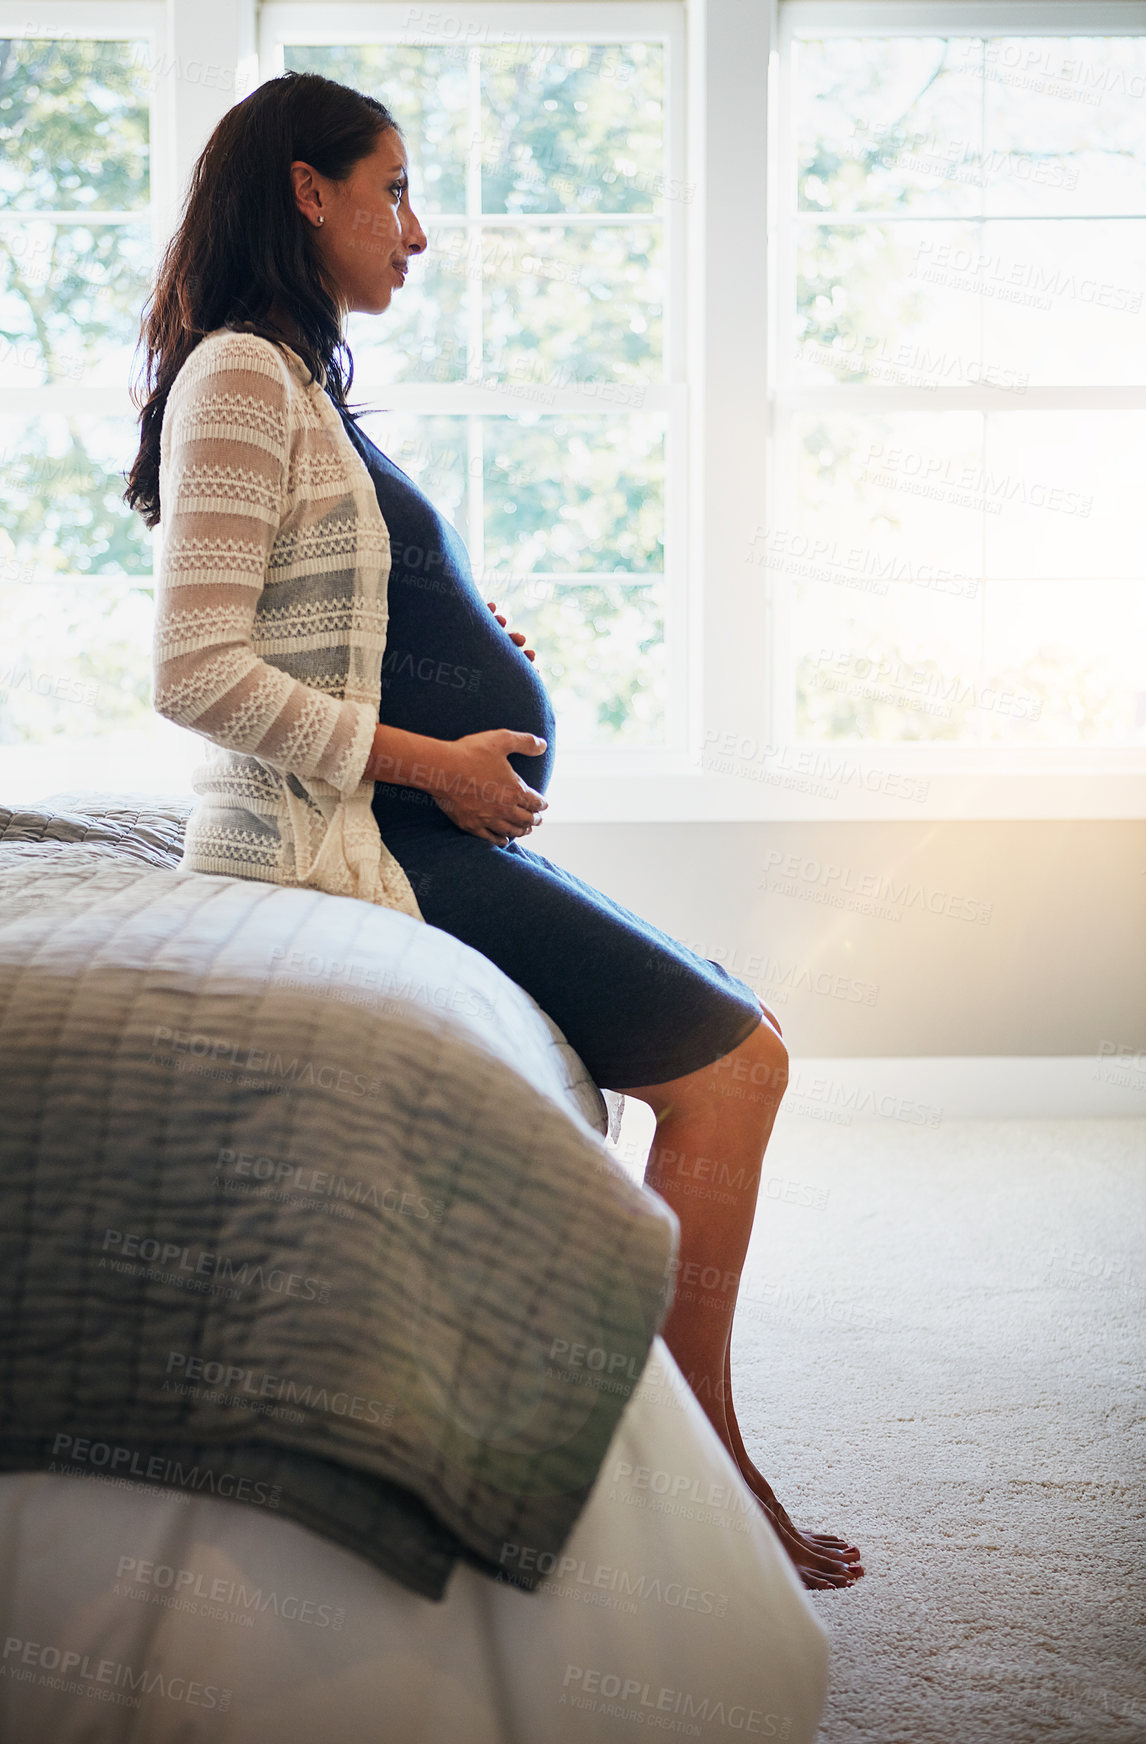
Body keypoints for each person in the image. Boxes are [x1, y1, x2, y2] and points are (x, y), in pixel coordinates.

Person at [125, 70, 862, 1591]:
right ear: (306, 192)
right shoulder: (242, 377)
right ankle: (707, 1472)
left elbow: (306, 610)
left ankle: (695, 1449)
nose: (418, 230)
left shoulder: (295, 377)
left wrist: (441, 625)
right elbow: (194, 671)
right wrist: (436, 761)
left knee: (747, 1019)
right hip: (379, 840)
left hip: (434, 828)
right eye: (390, 189)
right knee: (739, 1069)